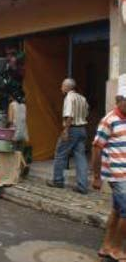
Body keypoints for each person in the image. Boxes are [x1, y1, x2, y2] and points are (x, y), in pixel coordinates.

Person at [92, 94, 126, 261]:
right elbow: (97, 148)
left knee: (118, 210)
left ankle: (106, 246)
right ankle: (117, 248)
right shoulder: (109, 120)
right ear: (119, 101)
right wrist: (97, 176)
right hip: (116, 174)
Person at [47, 78, 89, 194]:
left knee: (60, 153)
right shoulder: (82, 98)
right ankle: (82, 185)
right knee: (80, 157)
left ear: (67, 87)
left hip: (72, 129)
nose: (61, 88)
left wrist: (65, 130)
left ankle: (58, 180)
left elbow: (69, 115)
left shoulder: (69, 98)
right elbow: (86, 114)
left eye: (62, 86)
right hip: (82, 129)